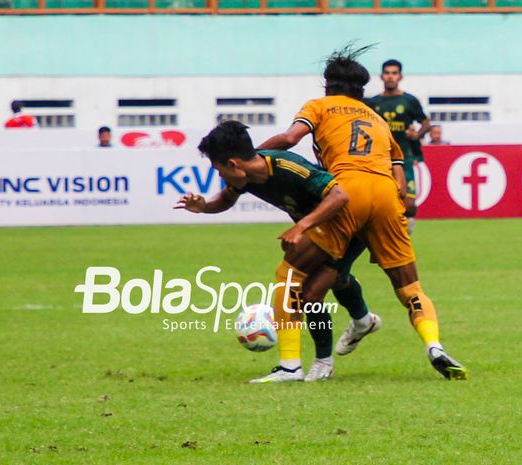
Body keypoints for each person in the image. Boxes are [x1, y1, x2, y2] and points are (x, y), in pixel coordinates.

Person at [258, 46, 468, 381]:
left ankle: (291, 365)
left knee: (294, 276)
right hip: (385, 196)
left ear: (326, 86)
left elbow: (289, 138)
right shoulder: (377, 119)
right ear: (362, 91)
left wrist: (253, 155)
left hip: (345, 194)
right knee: (409, 287)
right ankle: (434, 345)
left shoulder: (319, 106)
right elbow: (400, 178)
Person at [175, 121, 379, 383]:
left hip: (348, 224)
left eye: (219, 170)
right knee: (318, 289)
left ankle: (298, 365)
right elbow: (225, 200)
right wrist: (204, 207)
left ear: (234, 163)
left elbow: (339, 197)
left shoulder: (288, 168)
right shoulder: (246, 177)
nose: (220, 176)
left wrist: (301, 227)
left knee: (295, 281)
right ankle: (360, 324)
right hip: (324, 227)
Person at [364, 59, 431, 234]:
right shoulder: (373, 103)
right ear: (381, 76)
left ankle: (408, 222)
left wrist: (418, 135)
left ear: (400, 76)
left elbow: (426, 122)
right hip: (380, 158)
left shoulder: (409, 100)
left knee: (409, 204)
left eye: (394, 73)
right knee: (380, 200)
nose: (390, 76)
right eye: (387, 73)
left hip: (404, 157)